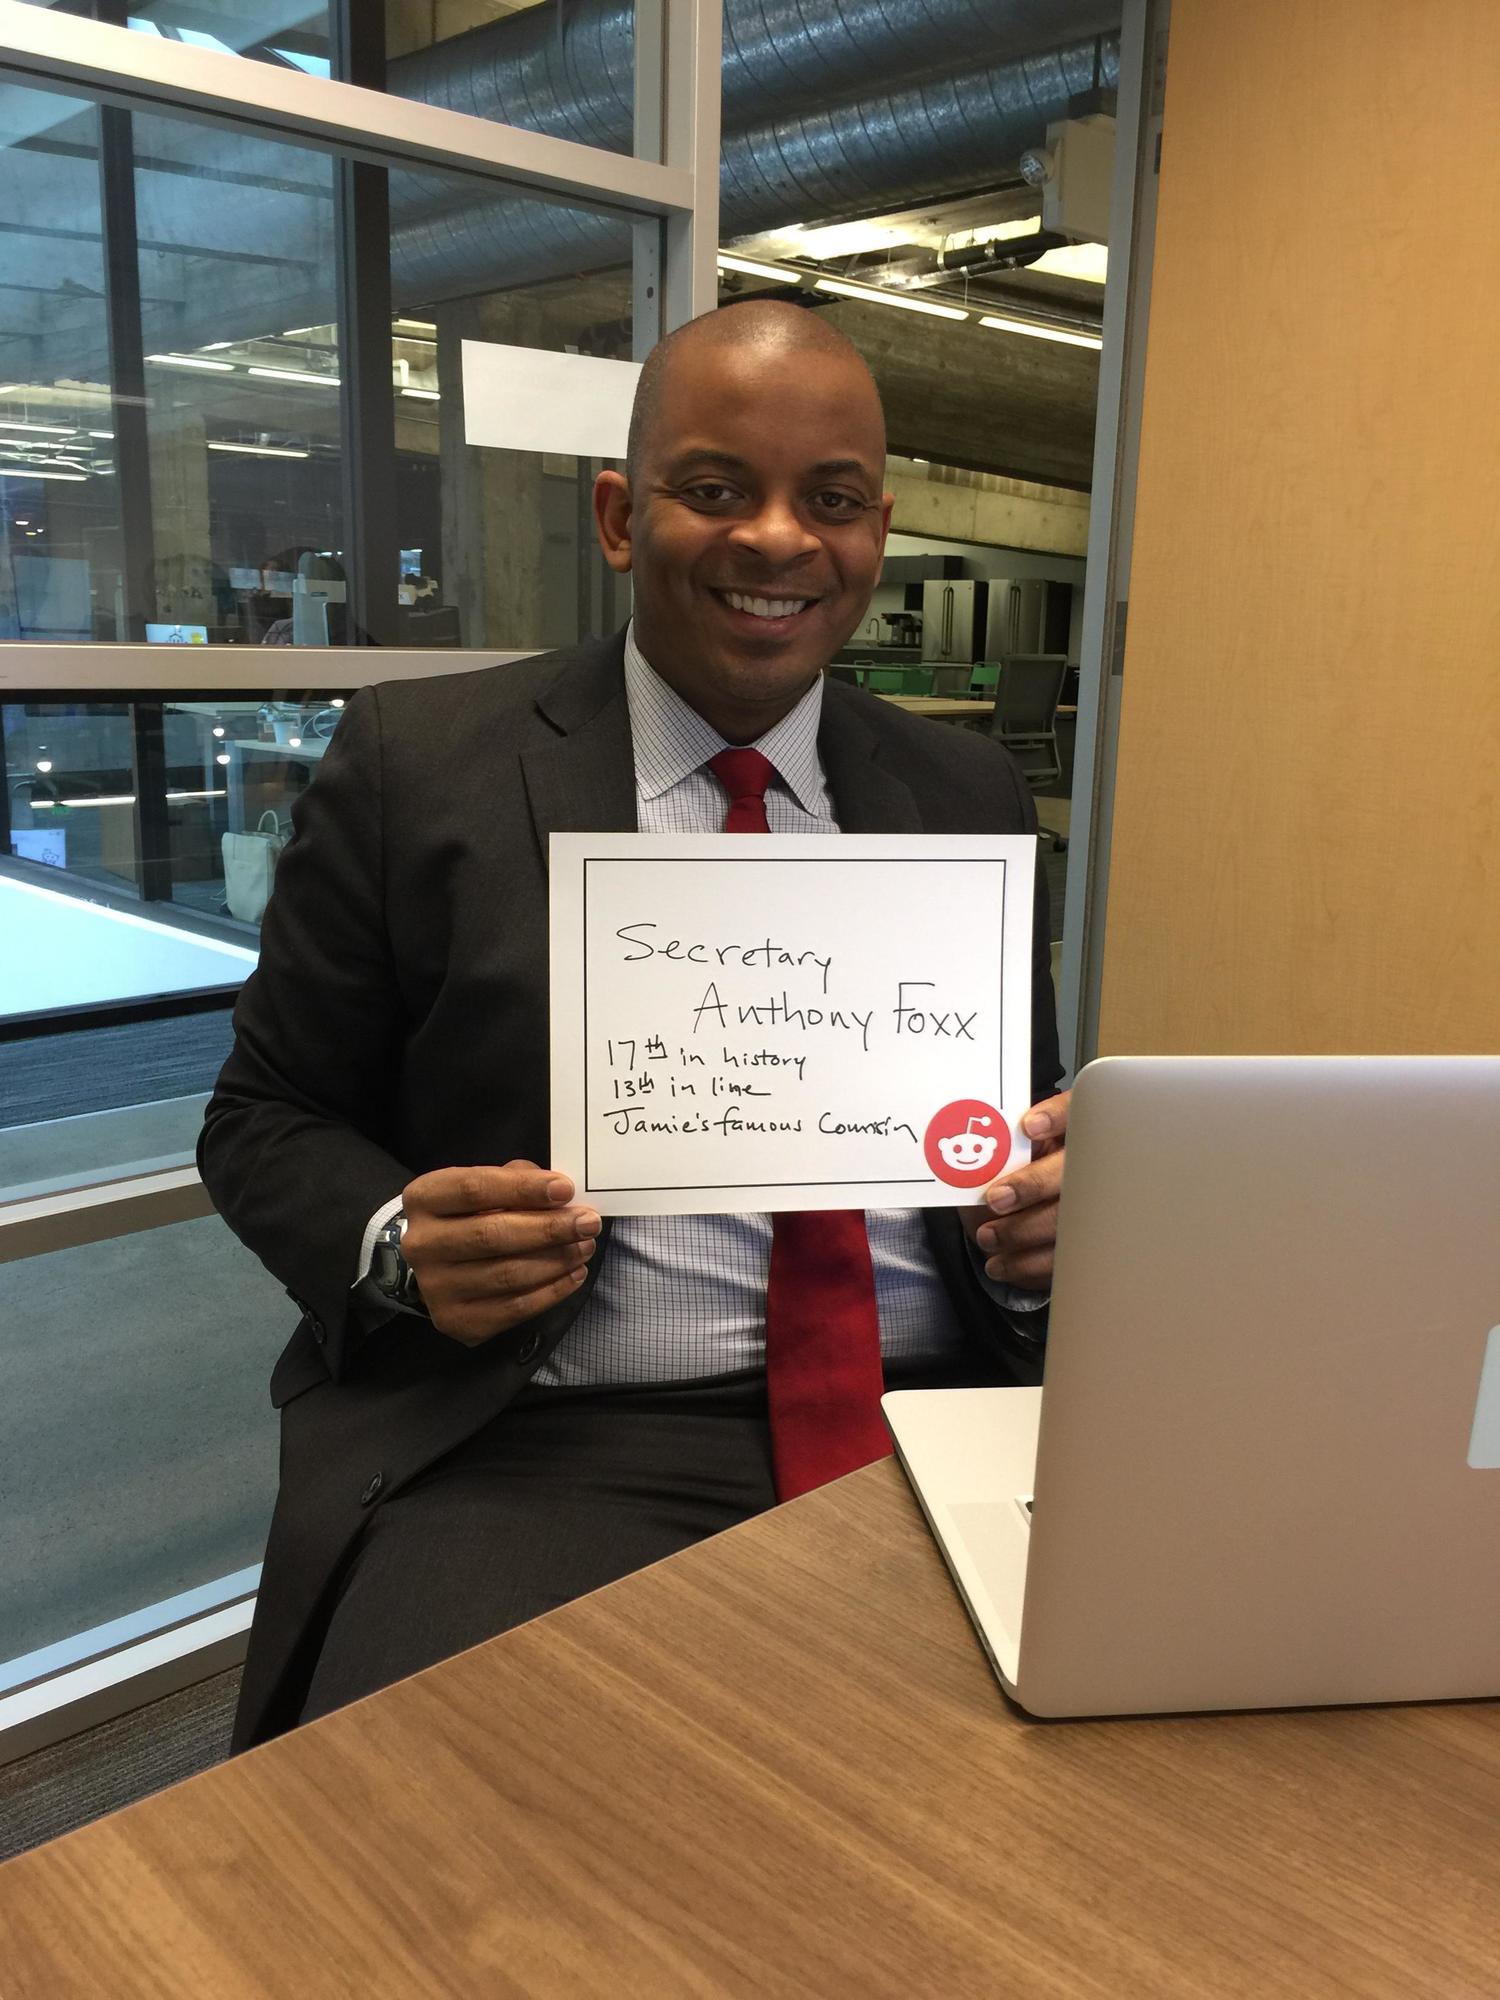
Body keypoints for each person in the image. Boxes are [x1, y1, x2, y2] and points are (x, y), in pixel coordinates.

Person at [200, 300, 1071, 1750]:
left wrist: (1046, 1224)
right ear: (619, 514)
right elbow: (263, 1115)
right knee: (434, 1861)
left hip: (944, 1417)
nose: (780, 540)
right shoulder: (423, 771)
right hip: (547, 1436)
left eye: (833, 500)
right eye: (717, 489)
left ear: (878, 529)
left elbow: (1010, 1130)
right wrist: (398, 1247)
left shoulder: (964, 794)